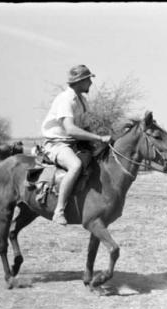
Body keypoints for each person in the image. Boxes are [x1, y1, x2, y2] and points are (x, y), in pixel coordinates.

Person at [41, 64, 111, 226]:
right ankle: (59, 211)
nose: (91, 83)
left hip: (74, 143)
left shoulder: (82, 101)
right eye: (88, 80)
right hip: (57, 143)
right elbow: (70, 129)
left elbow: (85, 127)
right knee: (76, 165)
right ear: (80, 81)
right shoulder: (66, 99)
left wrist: (100, 141)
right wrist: (99, 138)